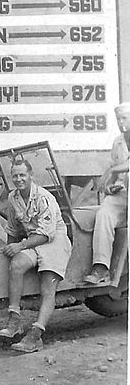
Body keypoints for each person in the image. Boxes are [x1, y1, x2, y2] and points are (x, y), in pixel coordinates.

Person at [0, 158, 71, 353]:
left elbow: (47, 233)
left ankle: (36, 335)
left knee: (47, 285)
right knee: (17, 264)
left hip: (55, 241)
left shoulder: (43, 197)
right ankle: (14, 319)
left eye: (22, 175)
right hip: (33, 240)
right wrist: (11, 248)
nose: (19, 179)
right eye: (15, 176)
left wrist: (20, 245)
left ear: (31, 176)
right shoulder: (13, 198)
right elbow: (13, 229)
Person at [84, 102, 129, 285]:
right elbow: (114, 166)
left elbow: (118, 168)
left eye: (125, 118)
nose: (121, 122)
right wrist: (109, 185)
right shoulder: (118, 141)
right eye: (118, 119)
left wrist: (111, 173)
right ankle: (101, 268)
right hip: (122, 194)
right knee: (103, 213)